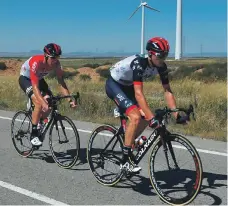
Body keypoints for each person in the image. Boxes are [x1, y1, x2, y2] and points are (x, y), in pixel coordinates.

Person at [105, 37, 188, 173]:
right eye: (160, 55)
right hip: (114, 84)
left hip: (128, 86)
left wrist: (176, 114)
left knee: (144, 116)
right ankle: (125, 161)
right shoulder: (139, 63)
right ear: (150, 53)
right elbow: (139, 94)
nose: (163, 59)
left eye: (165, 55)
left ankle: (129, 141)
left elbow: (167, 90)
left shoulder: (162, 67)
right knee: (136, 116)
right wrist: (152, 119)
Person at [19, 43, 77, 146]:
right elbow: (35, 87)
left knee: (50, 101)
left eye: (58, 57)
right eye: (53, 57)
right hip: (26, 79)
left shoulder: (57, 64)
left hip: (39, 79)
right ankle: (34, 134)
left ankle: (40, 121)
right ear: (46, 55)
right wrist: (42, 102)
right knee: (38, 102)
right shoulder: (36, 62)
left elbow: (61, 82)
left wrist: (69, 99)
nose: (55, 60)